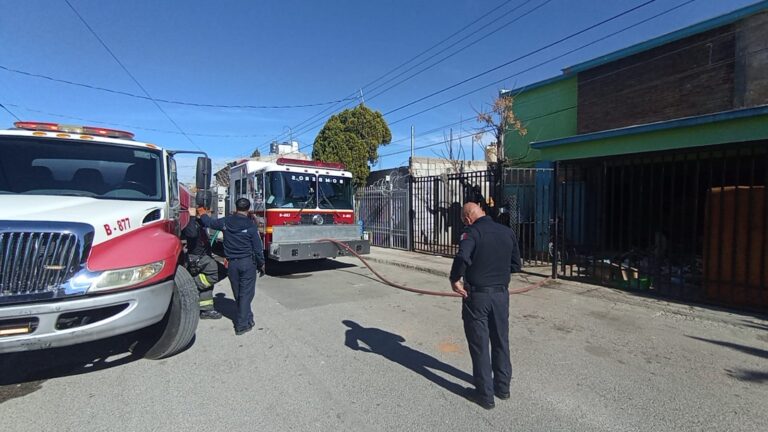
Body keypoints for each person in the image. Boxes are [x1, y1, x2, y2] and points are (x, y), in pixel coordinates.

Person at [449, 202, 522, 410]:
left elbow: (462, 256)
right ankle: (502, 388)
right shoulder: (507, 231)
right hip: (501, 296)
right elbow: (516, 264)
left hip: (477, 297)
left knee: (480, 345)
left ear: (467, 218)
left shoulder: (471, 233)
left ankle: (485, 395)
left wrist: (455, 279)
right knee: (500, 340)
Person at [194, 198, 265, 335]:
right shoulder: (250, 225)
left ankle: (248, 318)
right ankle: (242, 325)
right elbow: (257, 248)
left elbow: (208, 222)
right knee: (246, 294)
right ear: (249, 209)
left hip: (232, 264)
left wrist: (202, 212)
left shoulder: (226, 221)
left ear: (235, 207)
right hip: (247, 263)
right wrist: (261, 263)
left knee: (238, 293)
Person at [182, 208, 223, 320]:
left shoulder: (200, 223)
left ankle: (206, 310)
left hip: (203, 256)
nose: (210, 214)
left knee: (207, 282)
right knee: (219, 271)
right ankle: (192, 286)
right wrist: (191, 217)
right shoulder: (192, 223)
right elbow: (191, 234)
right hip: (197, 257)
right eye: (208, 211)